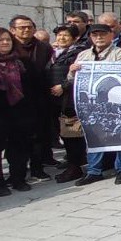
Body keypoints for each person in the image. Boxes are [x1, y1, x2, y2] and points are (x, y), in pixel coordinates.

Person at [0, 27, 41, 196]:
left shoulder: (22, 62)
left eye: (8, 40)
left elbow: (33, 87)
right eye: (1, 40)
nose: (5, 43)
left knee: (19, 147)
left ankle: (18, 178)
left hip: (20, 111)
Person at [70, 24, 121, 186]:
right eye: (95, 34)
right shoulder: (83, 55)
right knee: (94, 136)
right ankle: (93, 171)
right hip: (93, 105)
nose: (99, 37)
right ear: (90, 37)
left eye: (103, 34)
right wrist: (73, 70)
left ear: (111, 35)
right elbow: (72, 80)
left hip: (116, 103)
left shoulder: (120, 54)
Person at [9, 14, 54, 180]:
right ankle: (16, 172)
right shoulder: (8, 46)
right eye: (22, 27)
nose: (26, 30)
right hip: (15, 98)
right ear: (12, 30)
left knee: (38, 136)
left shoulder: (43, 47)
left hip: (39, 96)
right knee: (16, 138)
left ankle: (37, 167)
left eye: (29, 27)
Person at [47, 24, 86, 184]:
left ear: (75, 38)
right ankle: (72, 163)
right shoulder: (52, 53)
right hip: (53, 100)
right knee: (63, 134)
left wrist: (63, 86)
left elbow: (81, 75)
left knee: (72, 135)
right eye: (59, 35)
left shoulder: (78, 54)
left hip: (68, 100)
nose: (62, 38)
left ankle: (75, 166)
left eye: (66, 36)